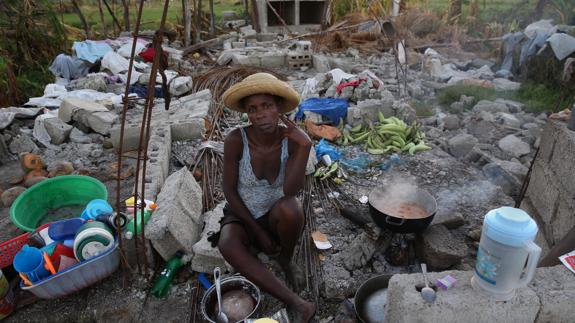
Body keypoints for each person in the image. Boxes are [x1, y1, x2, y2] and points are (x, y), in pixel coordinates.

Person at [214, 73, 315, 321]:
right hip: (243, 214)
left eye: (267, 106)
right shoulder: (236, 140)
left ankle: (285, 258)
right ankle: (297, 303)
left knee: (292, 208)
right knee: (226, 244)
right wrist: (256, 232)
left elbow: (291, 191)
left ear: (278, 108)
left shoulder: (290, 142)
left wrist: (304, 147)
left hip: (276, 215)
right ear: (247, 113)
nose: (260, 114)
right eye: (253, 109)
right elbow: (230, 191)